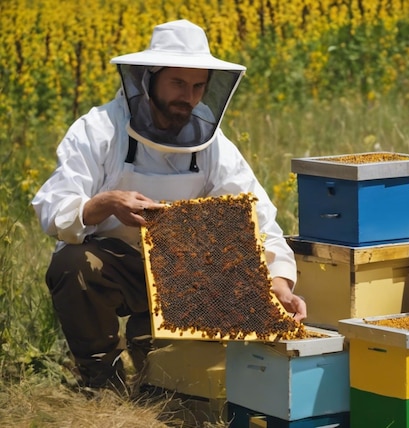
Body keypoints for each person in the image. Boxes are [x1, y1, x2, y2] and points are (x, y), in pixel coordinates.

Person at [31, 19, 307, 393]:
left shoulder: (213, 145)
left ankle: (157, 369)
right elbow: (53, 207)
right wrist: (105, 203)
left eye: (197, 86)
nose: (188, 96)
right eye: (177, 83)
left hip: (182, 274)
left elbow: (257, 219)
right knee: (72, 264)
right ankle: (100, 381)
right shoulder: (98, 130)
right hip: (113, 264)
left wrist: (279, 285)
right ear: (148, 78)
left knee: (170, 388)